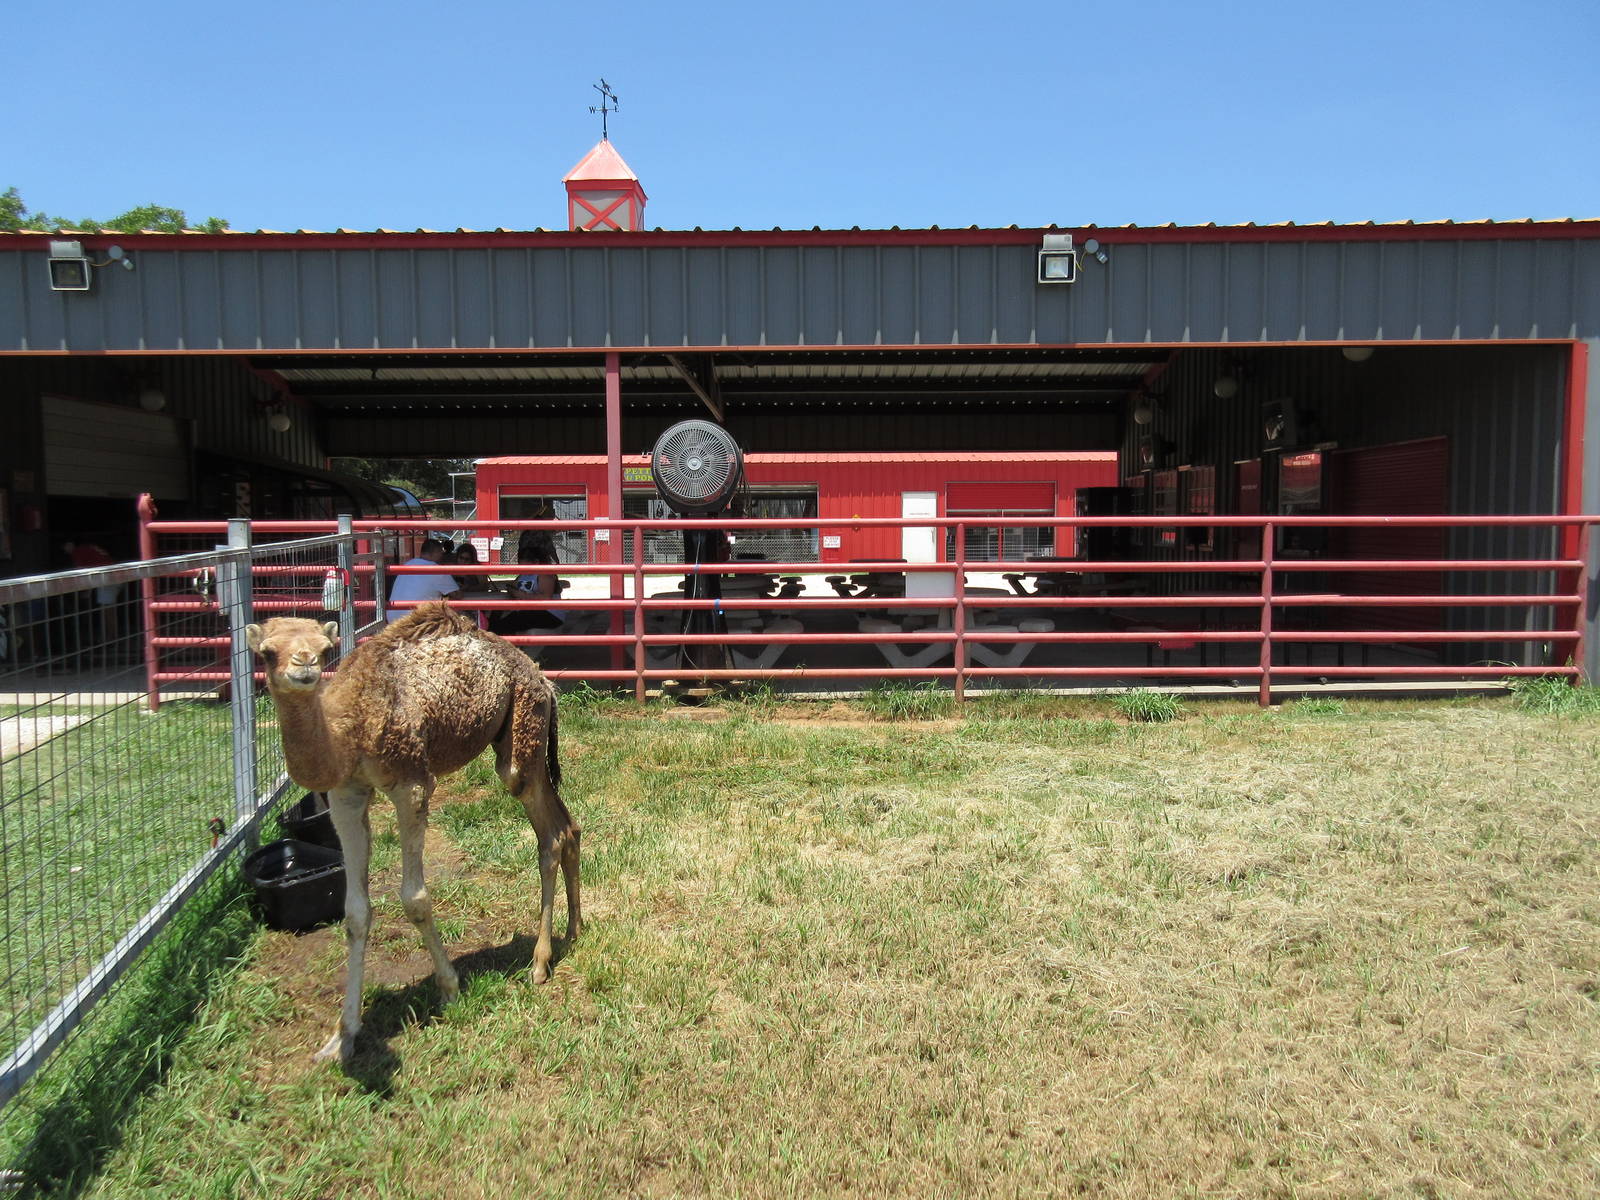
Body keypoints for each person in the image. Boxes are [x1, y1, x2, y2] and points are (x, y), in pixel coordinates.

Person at [488, 531, 565, 636]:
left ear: (536, 562)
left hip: (549, 614)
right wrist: (513, 591)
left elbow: (546, 597)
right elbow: (511, 586)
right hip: (530, 611)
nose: (522, 569)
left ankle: (495, 635)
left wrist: (523, 595)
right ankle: (492, 632)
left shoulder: (544, 574)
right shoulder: (524, 574)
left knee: (511, 621)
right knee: (497, 613)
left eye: (525, 566)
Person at [385, 537, 460, 622]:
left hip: (392, 618)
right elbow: (457, 595)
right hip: (415, 620)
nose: (442, 555)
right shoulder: (436, 569)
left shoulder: (408, 564)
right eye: (440, 552)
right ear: (435, 553)